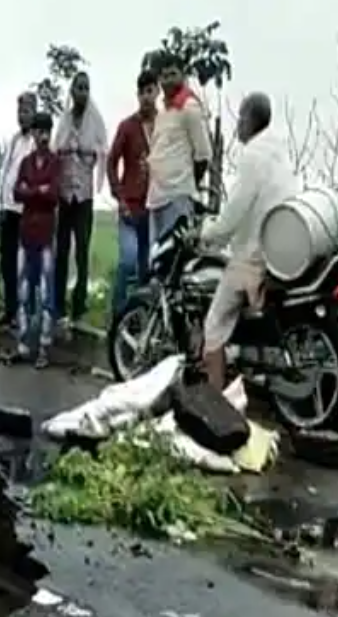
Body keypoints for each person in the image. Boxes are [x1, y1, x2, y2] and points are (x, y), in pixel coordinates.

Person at [199, 93, 295, 391]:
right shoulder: (278, 151)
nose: (237, 124)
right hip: (283, 247)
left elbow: (235, 211)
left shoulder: (252, 155)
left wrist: (207, 233)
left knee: (213, 324)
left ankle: (214, 400)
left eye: (239, 117)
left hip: (255, 255)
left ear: (249, 119)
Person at [53, 71, 107, 327]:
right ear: (72, 91)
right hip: (65, 194)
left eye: (86, 88)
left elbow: (102, 150)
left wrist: (86, 151)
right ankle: (57, 303)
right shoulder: (64, 119)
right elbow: (56, 148)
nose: (82, 92)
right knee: (61, 248)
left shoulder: (95, 120)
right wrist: (67, 148)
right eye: (78, 88)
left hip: (83, 194)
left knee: (82, 250)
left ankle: (79, 304)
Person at [147, 50, 212, 255]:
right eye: (164, 76)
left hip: (177, 197)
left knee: (173, 259)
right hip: (156, 197)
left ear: (183, 77)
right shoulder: (162, 112)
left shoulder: (189, 107)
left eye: (173, 74)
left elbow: (203, 154)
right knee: (157, 260)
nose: (167, 80)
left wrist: (187, 183)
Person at [107, 69, 159, 319]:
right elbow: (111, 161)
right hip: (131, 206)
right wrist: (119, 196)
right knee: (127, 261)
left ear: (157, 92)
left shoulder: (165, 125)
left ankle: (138, 320)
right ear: (137, 95)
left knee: (146, 269)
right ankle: (117, 314)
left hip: (154, 207)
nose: (147, 97)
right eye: (142, 92)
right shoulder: (128, 127)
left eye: (151, 91)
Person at [12, 113, 62, 368]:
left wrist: (31, 190)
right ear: (33, 134)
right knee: (23, 292)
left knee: (45, 293)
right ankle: (22, 344)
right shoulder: (25, 162)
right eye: (39, 132)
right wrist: (36, 191)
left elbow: (53, 194)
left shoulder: (55, 163)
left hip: (45, 236)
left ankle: (43, 347)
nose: (43, 137)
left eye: (47, 132)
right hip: (26, 234)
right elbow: (16, 192)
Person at [0, 92, 37, 329]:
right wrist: (1, 201)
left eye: (27, 111)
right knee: (7, 263)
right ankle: (10, 310)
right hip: (9, 209)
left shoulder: (36, 142)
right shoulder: (14, 141)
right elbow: (5, 173)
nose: (22, 116)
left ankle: (25, 311)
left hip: (26, 212)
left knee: (25, 263)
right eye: (20, 111)